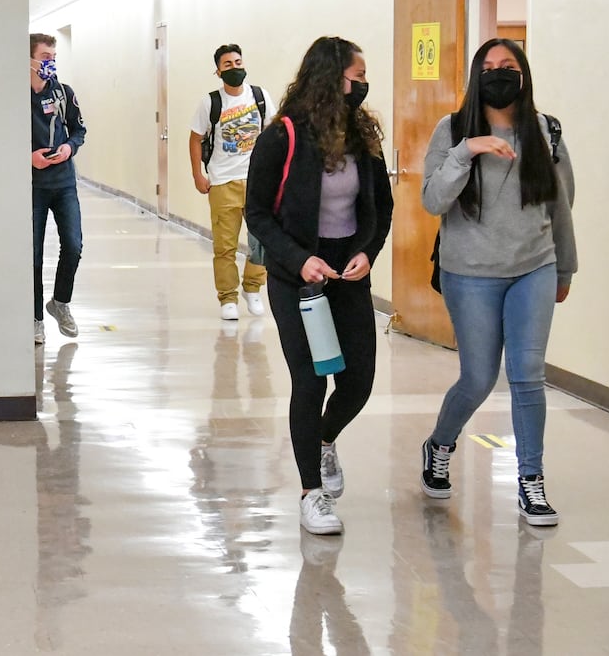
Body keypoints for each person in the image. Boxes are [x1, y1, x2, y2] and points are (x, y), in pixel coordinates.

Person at [418, 38, 576, 527]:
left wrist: (565, 267)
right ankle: (440, 443)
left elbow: (562, 204)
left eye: (508, 65)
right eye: (488, 67)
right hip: (470, 273)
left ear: (523, 74)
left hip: (534, 266)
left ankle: (531, 481)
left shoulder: (545, 131)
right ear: (475, 77)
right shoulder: (452, 129)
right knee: (478, 378)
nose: (498, 73)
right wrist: (468, 150)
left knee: (527, 374)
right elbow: (432, 199)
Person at [244, 36, 393, 536]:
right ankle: (311, 494)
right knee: (310, 380)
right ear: (332, 79)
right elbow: (258, 213)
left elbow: (382, 207)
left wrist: (367, 253)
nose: (363, 86)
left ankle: (325, 440)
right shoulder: (282, 137)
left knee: (358, 380)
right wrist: (298, 258)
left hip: (347, 271)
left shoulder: (362, 136)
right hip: (297, 276)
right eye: (357, 76)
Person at [189, 43, 270, 321]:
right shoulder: (210, 102)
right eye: (228, 65)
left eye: (238, 62)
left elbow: (272, 132)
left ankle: (253, 287)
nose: (235, 68)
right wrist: (198, 174)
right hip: (223, 181)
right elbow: (196, 138)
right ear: (218, 71)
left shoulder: (259, 96)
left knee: (263, 240)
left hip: (258, 181)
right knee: (225, 245)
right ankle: (228, 297)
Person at [30, 33, 87, 346]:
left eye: (54, 56)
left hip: (64, 182)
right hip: (33, 187)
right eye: (45, 56)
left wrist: (68, 147)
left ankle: (60, 303)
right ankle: (35, 318)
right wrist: (28, 158)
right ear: (29, 60)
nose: (50, 62)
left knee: (74, 245)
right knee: (33, 255)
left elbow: (79, 130)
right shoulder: (15, 97)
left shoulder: (64, 93)